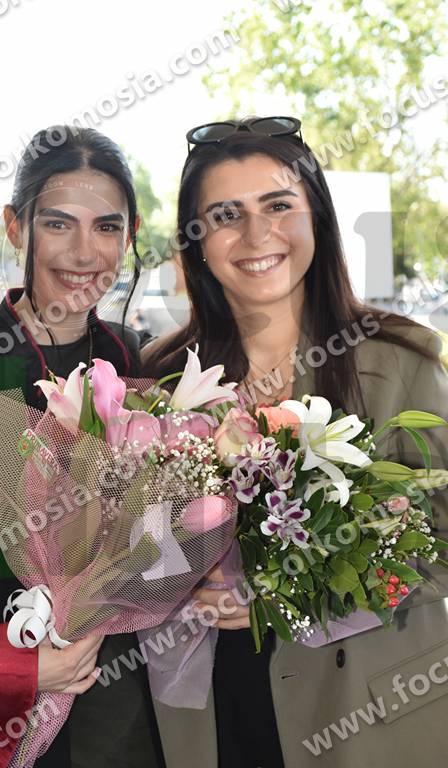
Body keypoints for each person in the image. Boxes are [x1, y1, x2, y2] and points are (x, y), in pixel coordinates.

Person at [142, 116, 448, 768]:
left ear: (318, 219)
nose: (257, 235)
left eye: (279, 206)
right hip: (216, 709)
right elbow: (129, 546)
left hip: (363, 713)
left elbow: (442, 541)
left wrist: (292, 592)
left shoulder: (404, 359)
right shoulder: (160, 378)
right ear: (196, 241)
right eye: (226, 215)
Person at [0, 125, 164, 767]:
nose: (84, 252)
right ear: (17, 227)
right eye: (59, 224)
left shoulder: (139, 364)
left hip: (125, 703)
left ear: (130, 233)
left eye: (107, 227)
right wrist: (12, 666)